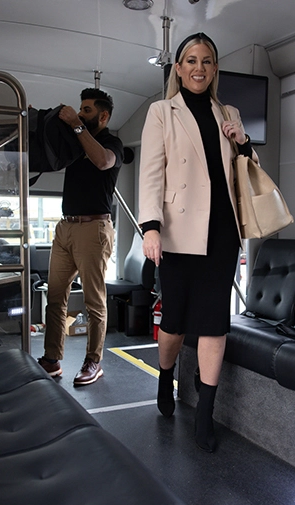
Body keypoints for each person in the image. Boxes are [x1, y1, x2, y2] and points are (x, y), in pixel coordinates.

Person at [138, 33, 254, 452]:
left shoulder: (230, 112)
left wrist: (241, 140)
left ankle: (205, 412)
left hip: (223, 231)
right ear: (179, 68)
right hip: (178, 229)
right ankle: (166, 374)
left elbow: (249, 170)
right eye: (190, 60)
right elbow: (150, 173)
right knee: (174, 321)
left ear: (215, 68)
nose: (199, 67)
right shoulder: (161, 112)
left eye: (207, 60)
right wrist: (150, 226)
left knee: (213, 323)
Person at [37, 88, 124, 385]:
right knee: (55, 297)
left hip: (93, 229)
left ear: (103, 116)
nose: (81, 114)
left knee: (93, 302)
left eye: (87, 110)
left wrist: (76, 124)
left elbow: (102, 161)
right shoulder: (75, 141)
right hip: (66, 228)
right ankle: (52, 359)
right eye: (80, 109)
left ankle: (93, 361)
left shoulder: (113, 143)